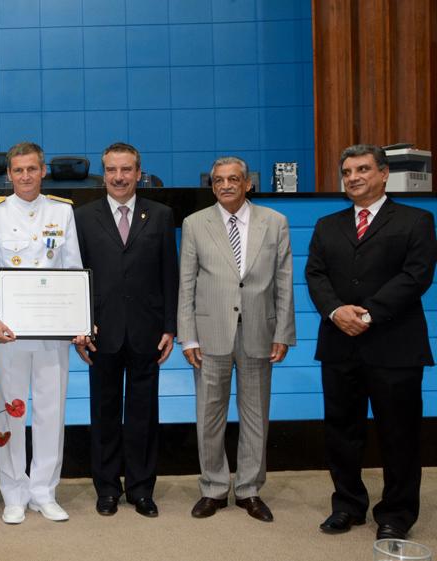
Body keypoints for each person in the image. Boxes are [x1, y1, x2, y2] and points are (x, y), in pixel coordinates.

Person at [305, 144, 437, 540]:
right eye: (346, 172)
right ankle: (347, 506)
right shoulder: (327, 225)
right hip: (339, 344)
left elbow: (416, 277)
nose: (353, 178)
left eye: (362, 169)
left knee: (399, 434)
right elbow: (315, 275)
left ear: (383, 174)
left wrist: (367, 314)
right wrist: (335, 312)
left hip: (394, 344)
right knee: (342, 432)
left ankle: (396, 514)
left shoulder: (416, 221)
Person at [177, 156, 295, 523]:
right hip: (210, 334)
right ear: (211, 186)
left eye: (233, 179)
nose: (225, 185)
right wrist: (187, 336)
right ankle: (212, 487)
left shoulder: (275, 223)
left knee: (256, 415)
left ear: (247, 184)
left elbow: (284, 280)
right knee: (208, 416)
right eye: (218, 181)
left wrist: (284, 332)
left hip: (260, 329)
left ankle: (248, 489)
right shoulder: (195, 223)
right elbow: (187, 283)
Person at [74, 142, 178, 518]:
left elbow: (170, 273)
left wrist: (171, 325)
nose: (119, 177)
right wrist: (81, 326)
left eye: (127, 170)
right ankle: (106, 489)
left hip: (147, 331)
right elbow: (78, 276)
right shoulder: (83, 217)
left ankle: (141, 489)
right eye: (112, 170)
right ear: (103, 174)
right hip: (101, 331)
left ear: (139, 173)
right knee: (102, 413)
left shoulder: (161, 215)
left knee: (143, 414)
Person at [0, 141, 83, 524]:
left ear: (43, 171)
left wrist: (75, 320)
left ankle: (44, 490)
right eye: (18, 170)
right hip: (9, 332)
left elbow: (73, 268)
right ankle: (13, 491)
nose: (25, 176)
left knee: (49, 411)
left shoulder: (62, 212)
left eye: (32, 169)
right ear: (8, 175)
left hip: (52, 331)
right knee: (11, 412)